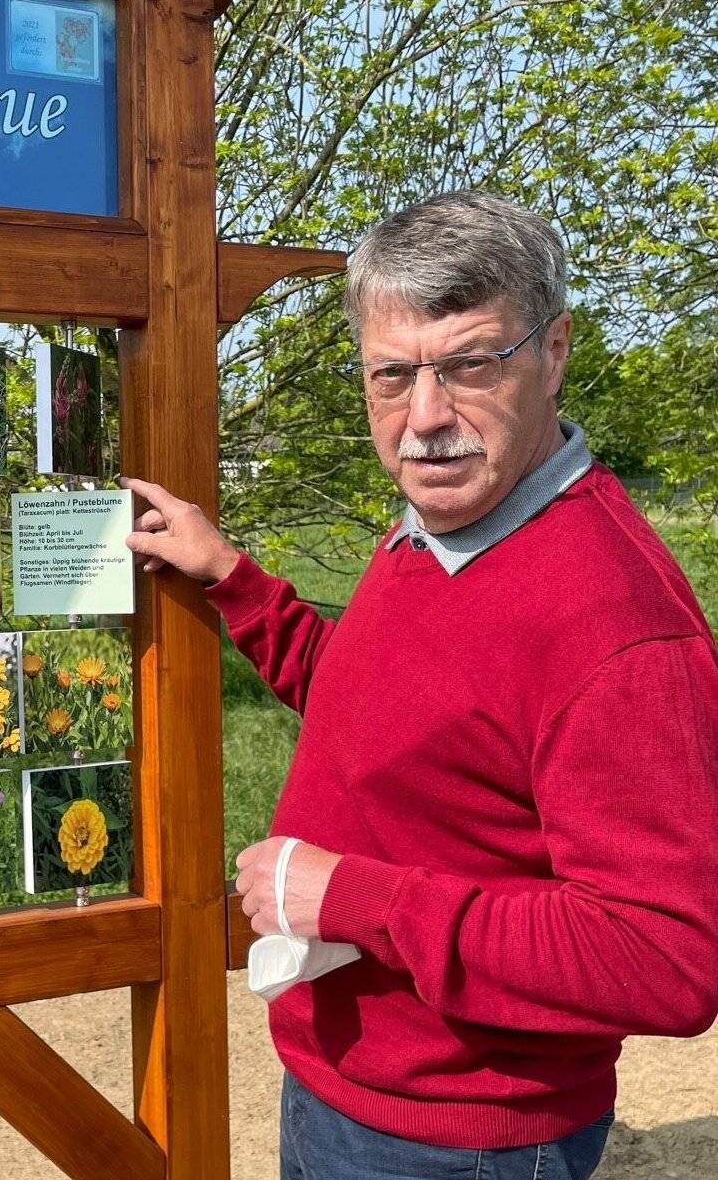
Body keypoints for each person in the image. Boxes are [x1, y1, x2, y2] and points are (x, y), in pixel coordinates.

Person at [123, 190, 718, 1180]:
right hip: (345, 1083)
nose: (425, 419)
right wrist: (228, 577)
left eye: (469, 363)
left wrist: (350, 898)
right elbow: (375, 712)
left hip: (459, 1139)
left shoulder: (614, 629)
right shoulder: (437, 526)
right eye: (391, 375)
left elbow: (661, 959)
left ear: (553, 350)